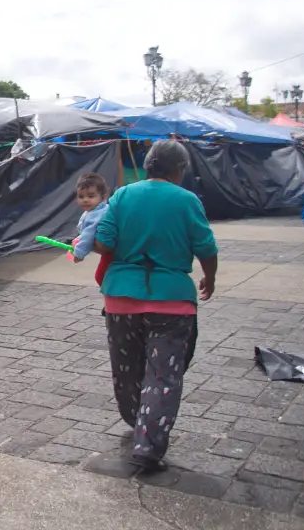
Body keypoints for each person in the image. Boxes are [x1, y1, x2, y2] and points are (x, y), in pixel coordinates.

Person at [93, 139, 218, 472]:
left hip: (121, 300)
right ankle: (147, 445)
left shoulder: (122, 195)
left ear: (148, 165)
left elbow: (103, 242)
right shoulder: (187, 200)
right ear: (180, 169)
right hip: (172, 302)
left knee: (127, 371)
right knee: (163, 375)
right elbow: (206, 247)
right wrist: (210, 277)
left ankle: (138, 422)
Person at [69, 172, 114, 285]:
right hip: (109, 248)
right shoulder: (95, 210)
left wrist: (79, 252)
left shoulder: (97, 214)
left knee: (101, 276)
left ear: (103, 197)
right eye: (81, 196)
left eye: (91, 196)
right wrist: (79, 239)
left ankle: (112, 294)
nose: (85, 200)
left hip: (112, 251)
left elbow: (89, 234)